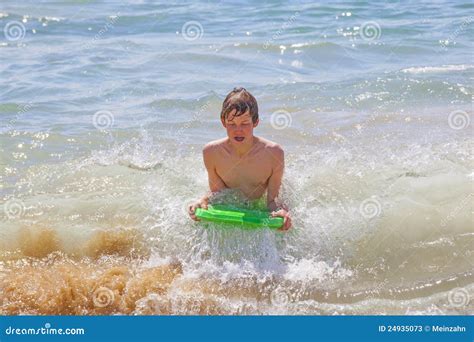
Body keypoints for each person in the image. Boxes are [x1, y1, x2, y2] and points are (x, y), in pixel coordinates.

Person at [188, 87, 292, 231]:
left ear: (255, 122)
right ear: (223, 122)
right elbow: (219, 194)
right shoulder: (211, 152)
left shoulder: (273, 153)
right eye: (232, 124)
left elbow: (272, 200)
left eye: (244, 123)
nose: (238, 130)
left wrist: (281, 212)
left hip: (258, 202)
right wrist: (203, 201)